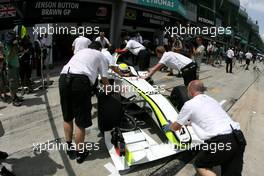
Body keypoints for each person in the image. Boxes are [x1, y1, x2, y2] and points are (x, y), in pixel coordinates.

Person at [163, 80, 246, 176]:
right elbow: (206, 120)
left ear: (190, 91)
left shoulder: (189, 104)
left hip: (221, 142)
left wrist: (169, 127)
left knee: (201, 165)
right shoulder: (211, 100)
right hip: (238, 138)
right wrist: (187, 124)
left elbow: (176, 127)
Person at [59, 41, 110, 164]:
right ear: (100, 49)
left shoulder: (80, 52)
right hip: (80, 81)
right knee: (80, 120)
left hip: (63, 78)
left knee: (68, 117)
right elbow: (104, 79)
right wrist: (110, 93)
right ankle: (80, 153)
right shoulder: (100, 55)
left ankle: (69, 147)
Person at [4, 32, 23, 106]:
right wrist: (14, 46)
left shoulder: (12, 45)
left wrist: (17, 46)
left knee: (16, 82)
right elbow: (9, 57)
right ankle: (13, 100)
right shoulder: (8, 46)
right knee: (12, 83)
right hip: (11, 67)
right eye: (14, 38)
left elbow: (18, 51)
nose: (15, 39)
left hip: (15, 66)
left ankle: (15, 97)